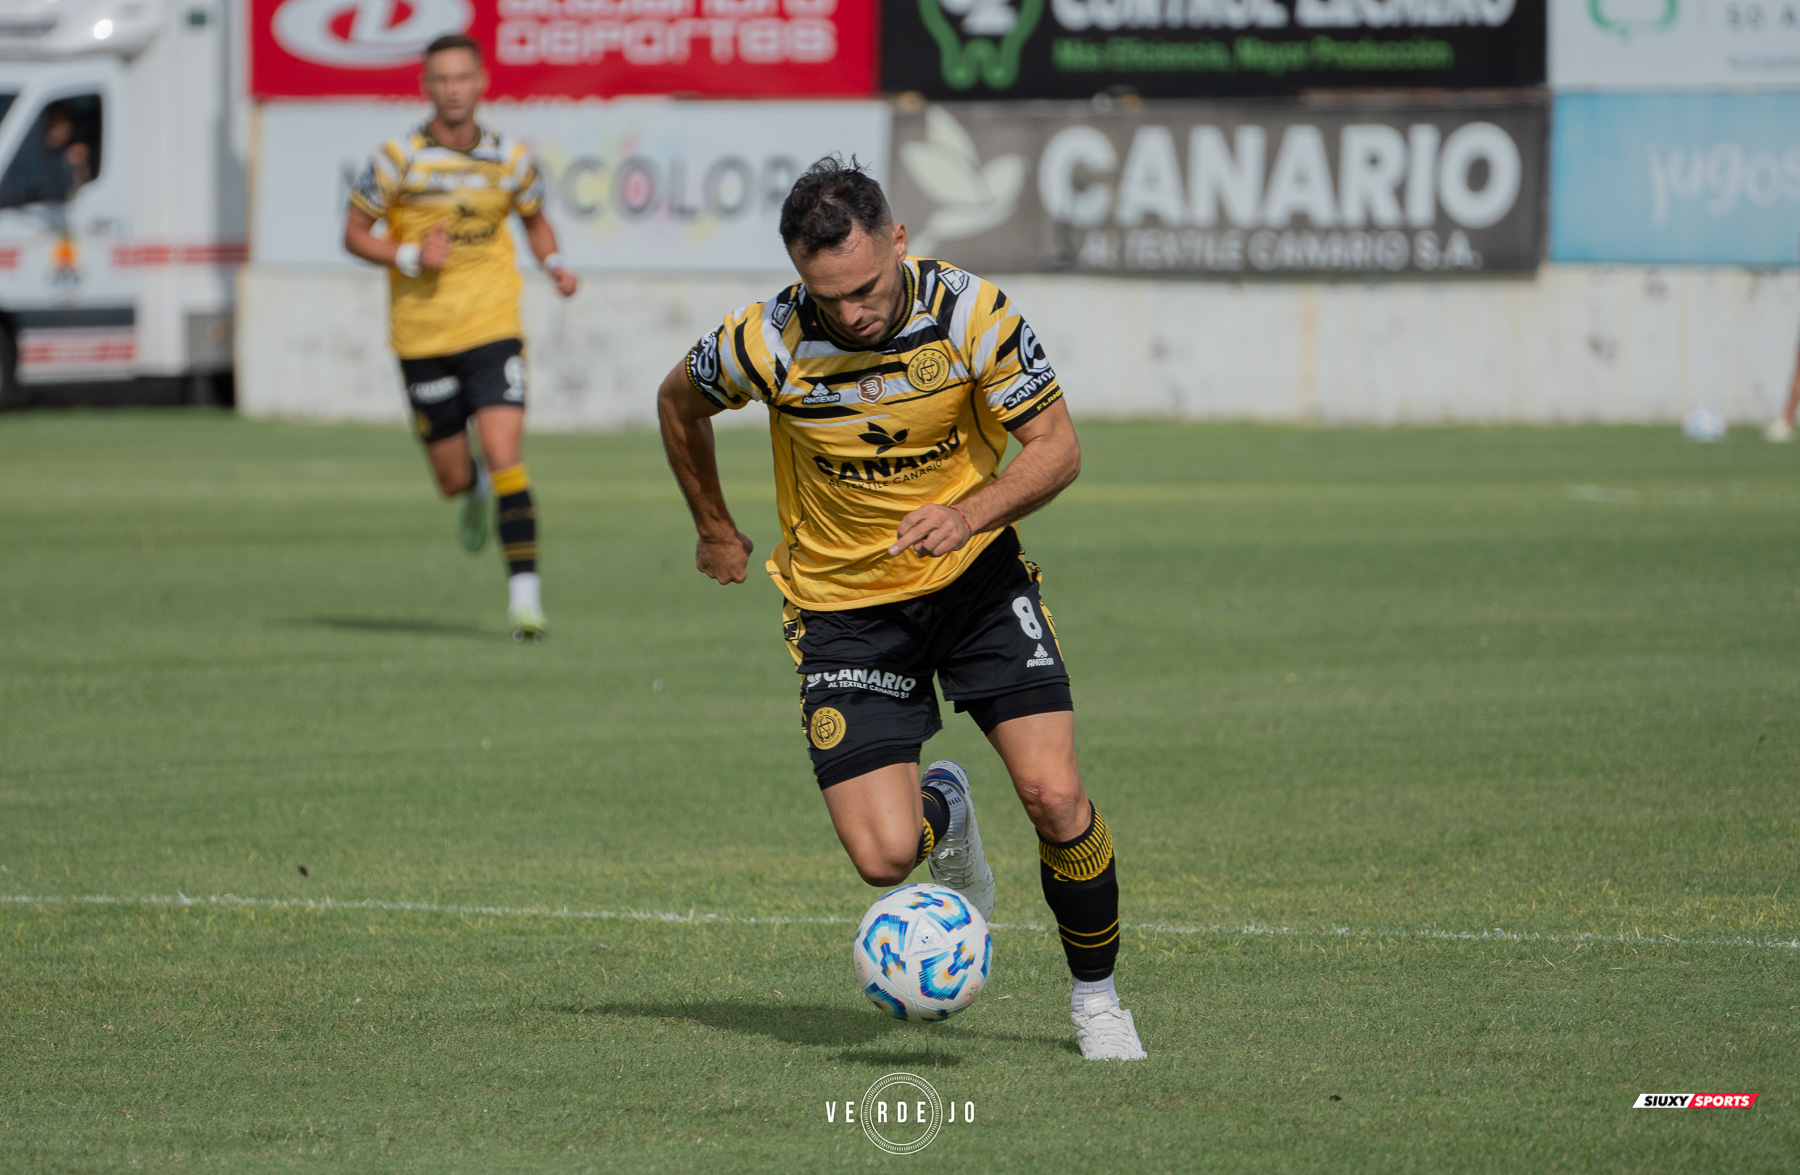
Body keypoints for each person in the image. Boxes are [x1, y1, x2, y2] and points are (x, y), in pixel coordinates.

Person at [656, 158, 1146, 1060]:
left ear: (900, 242)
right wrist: (714, 526)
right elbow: (676, 402)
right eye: (828, 295)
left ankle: (1098, 999)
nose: (853, 313)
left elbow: (1058, 447)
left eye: (868, 287)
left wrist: (967, 513)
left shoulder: (971, 315)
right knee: (885, 858)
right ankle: (945, 813)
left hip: (975, 582)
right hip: (846, 610)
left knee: (1054, 791)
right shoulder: (766, 340)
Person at [342, 33, 577, 640]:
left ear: (480, 83)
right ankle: (470, 490)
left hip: (492, 327)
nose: (452, 89)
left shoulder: (512, 158)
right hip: (422, 336)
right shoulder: (397, 159)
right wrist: (412, 254)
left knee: (506, 455)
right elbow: (354, 233)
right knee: (452, 478)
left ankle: (525, 600)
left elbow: (536, 221)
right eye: (440, 79)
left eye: (461, 78)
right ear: (426, 87)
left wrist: (554, 266)